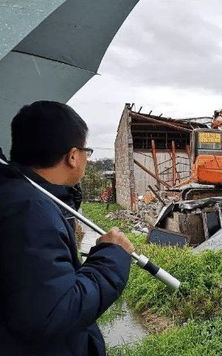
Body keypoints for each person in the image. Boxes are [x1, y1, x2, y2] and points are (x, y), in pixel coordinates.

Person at [0, 101, 135, 355]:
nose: (86, 158)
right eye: (87, 151)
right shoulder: (28, 211)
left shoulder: (17, 195)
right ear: (72, 156)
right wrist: (111, 257)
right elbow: (54, 310)